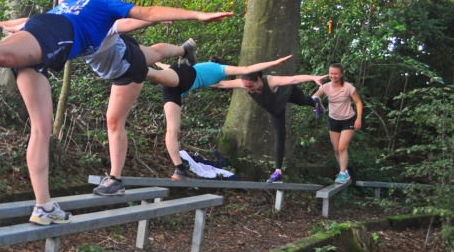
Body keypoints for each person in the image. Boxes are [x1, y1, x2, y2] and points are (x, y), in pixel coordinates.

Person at [0, 0, 232, 225]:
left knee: (41, 128)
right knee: (2, 54)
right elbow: (147, 11)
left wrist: (3, 23)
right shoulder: (101, 2)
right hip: (59, 36)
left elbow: (25, 23)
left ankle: (44, 206)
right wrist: (197, 14)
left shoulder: (70, 4)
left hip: (48, 36)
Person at [0, 0, 197, 197]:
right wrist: (1, 24)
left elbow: (129, 21)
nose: (63, 10)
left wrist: (154, 19)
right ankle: (184, 49)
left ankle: (115, 179)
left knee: (114, 121)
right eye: (61, 6)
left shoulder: (96, 20)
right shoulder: (62, 19)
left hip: (126, 68)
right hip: (124, 51)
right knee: (153, 53)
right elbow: (27, 21)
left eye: (67, 5)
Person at [144, 55, 316, 181]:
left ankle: (179, 169)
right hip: (179, 81)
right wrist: (274, 62)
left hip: (173, 82)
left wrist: (156, 61)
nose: (248, 89)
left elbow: (171, 68)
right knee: (172, 129)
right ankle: (179, 170)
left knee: (171, 129)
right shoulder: (220, 69)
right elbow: (245, 70)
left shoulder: (207, 70)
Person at [209, 66, 326, 183]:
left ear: (258, 80)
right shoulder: (245, 83)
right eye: (246, 87)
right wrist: (200, 81)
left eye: (251, 86)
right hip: (275, 107)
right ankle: (278, 172)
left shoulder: (271, 81)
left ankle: (316, 103)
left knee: (303, 101)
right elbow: (221, 84)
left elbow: (294, 79)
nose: (248, 89)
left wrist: (313, 78)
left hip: (287, 92)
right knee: (280, 135)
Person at [313, 63, 363, 183]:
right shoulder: (326, 87)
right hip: (333, 120)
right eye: (331, 73)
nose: (333, 76)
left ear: (341, 75)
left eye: (336, 74)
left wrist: (358, 119)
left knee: (342, 147)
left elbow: (358, 102)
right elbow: (315, 97)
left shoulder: (348, 87)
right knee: (336, 149)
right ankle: (344, 172)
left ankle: (341, 173)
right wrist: (316, 103)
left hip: (348, 119)